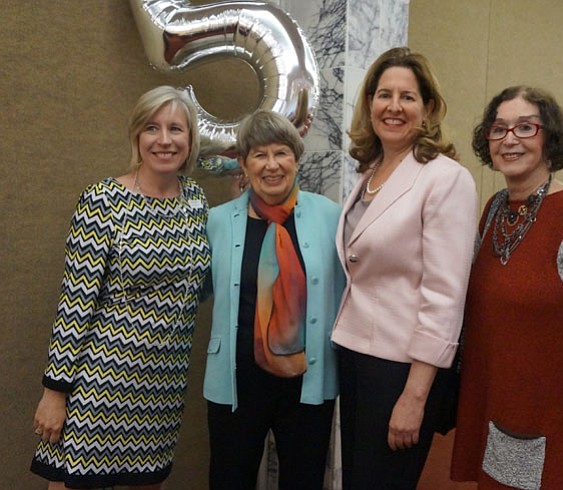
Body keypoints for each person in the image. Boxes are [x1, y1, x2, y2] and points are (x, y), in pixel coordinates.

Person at [450, 86, 563, 490]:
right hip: (499, 409)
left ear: (549, 137)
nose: (510, 138)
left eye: (525, 127)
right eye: (498, 129)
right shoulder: (496, 208)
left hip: (558, 423)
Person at [30, 85, 211, 490]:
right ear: (136, 136)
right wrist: (54, 392)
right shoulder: (103, 200)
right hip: (98, 386)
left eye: (176, 129)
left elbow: (198, 287)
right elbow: (74, 303)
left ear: (190, 139)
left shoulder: (197, 202)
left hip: (162, 389)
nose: (164, 140)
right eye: (152, 128)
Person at [331, 47, 478, 489]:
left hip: (402, 368)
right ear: (370, 103)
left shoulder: (446, 178)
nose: (394, 107)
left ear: (428, 108)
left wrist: (415, 396)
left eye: (408, 97)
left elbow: (445, 296)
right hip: (356, 354)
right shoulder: (372, 171)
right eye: (384, 95)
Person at [203, 109, 345, 490]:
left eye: (281, 153)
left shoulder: (331, 217)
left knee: (304, 480)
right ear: (244, 164)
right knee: (229, 480)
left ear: (296, 159)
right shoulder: (216, 222)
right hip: (236, 383)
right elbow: (195, 289)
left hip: (306, 381)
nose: (271, 165)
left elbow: (351, 292)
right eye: (259, 155)